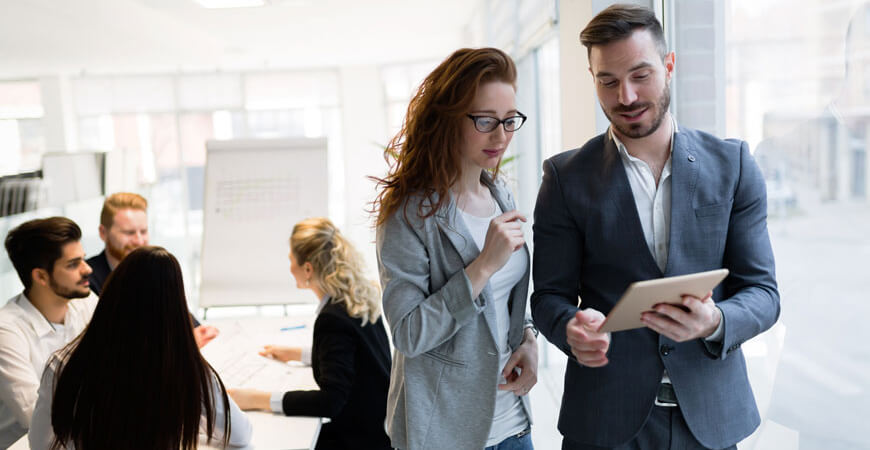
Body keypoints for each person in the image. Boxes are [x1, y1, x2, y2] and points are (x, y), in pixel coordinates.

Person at [531, 5, 780, 449]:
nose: (625, 96)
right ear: (593, 80)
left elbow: (763, 293)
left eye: (640, 75)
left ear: (669, 66)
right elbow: (549, 296)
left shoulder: (734, 165)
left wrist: (715, 321)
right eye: (608, 81)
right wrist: (570, 328)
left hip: (710, 420)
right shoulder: (565, 178)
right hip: (605, 421)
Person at [373, 47, 538, 450]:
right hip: (445, 433)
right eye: (485, 121)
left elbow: (509, 300)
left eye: (509, 120)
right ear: (448, 118)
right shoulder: (409, 213)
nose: (500, 136)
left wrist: (529, 339)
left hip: (513, 424)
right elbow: (409, 333)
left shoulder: (500, 193)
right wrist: (481, 267)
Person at [28, 246, 252, 450]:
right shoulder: (185, 368)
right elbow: (241, 435)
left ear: (111, 295)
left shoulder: (65, 363)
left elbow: (39, 444)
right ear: (176, 307)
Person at [228, 217, 391, 450]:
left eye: (291, 259)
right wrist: (298, 354)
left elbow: (330, 401)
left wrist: (256, 399)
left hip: (358, 438)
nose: (289, 267)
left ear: (308, 268)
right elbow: (352, 355)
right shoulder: (356, 295)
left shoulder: (332, 318)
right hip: (377, 426)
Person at [0, 217, 98, 448]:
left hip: (85, 435)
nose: (88, 269)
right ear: (41, 276)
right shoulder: (7, 330)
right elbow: (37, 416)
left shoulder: (85, 303)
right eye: (73, 264)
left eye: (83, 259)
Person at [87, 192, 218, 347]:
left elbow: (184, 320)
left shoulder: (154, 272)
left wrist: (201, 333)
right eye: (129, 233)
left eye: (143, 231)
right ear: (103, 233)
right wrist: (183, 343)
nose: (139, 241)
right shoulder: (87, 280)